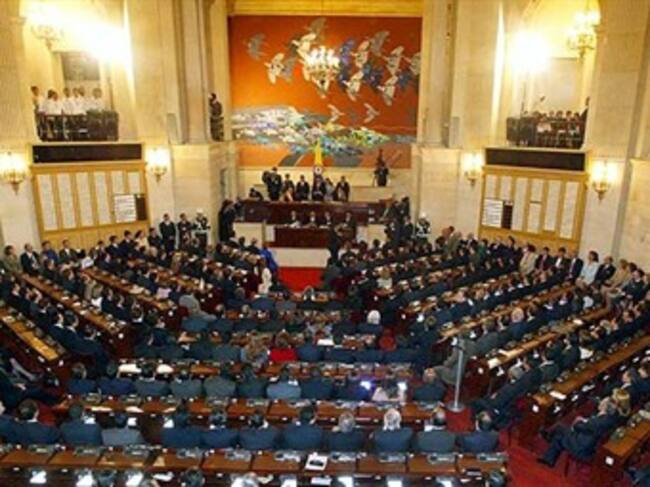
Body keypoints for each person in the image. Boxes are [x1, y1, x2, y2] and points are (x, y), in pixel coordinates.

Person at [537, 397, 619, 467]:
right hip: (587, 444)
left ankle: (549, 439)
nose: (600, 402)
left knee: (559, 428)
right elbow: (588, 427)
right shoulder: (608, 419)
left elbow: (578, 427)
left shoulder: (598, 422)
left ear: (604, 407)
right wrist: (585, 422)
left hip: (580, 447)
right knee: (559, 436)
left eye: (602, 402)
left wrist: (580, 421)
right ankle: (549, 459)